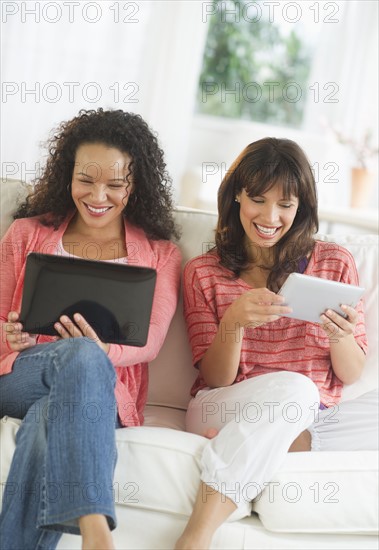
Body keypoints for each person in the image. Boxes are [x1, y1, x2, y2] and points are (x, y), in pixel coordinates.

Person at [175, 138, 378, 549]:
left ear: (301, 207)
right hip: (223, 402)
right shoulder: (204, 271)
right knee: (294, 388)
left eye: (285, 205)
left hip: (310, 417)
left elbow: (352, 373)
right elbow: (214, 378)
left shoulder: (333, 262)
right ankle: (195, 538)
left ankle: (254, 442)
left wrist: (340, 335)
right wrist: (233, 323)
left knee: (308, 400)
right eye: (258, 200)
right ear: (236, 196)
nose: (270, 216)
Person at [0, 108, 181, 550]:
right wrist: (10, 336)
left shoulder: (161, 254)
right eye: (86, 179)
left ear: (134, 185)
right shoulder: (25, 234)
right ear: (69, 174)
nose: (98, 195)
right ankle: (94, 527)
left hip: (101, 395)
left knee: (52, 412)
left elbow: (150, 340)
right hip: (21, 374)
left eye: (115, 184)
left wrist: (100, 351)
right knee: (81, 354)